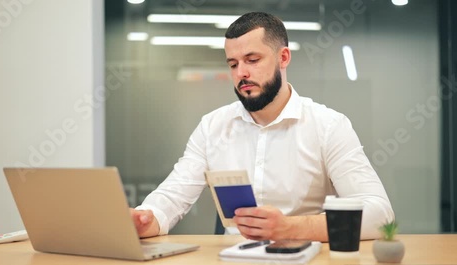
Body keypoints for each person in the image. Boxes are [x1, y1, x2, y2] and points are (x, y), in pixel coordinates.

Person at [131, 12, 394, 242]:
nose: (241, 73)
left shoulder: (328, 126)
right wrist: (146, 219)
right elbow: (173, 195)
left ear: (284, 57)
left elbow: (379, 214)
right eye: (233, 64)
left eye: (252, 60)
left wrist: (291, 227)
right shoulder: (213, 126)